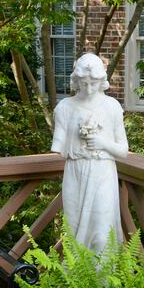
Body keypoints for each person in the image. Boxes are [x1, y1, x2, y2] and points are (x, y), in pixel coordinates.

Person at [51, 53, 129, 255]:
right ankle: (78, 283)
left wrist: (102, 143)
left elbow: (123, 151)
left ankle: (104, 284)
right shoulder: (65, 107)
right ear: (76, 81)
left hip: (102, 173)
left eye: (93, 83)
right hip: (75, 174)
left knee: (103, 235)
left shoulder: (111, 106)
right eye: (83, 83)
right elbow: (57, 145)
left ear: (102, 81)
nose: (88, 88)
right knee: (74, 232)